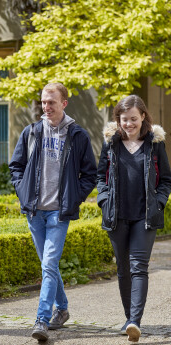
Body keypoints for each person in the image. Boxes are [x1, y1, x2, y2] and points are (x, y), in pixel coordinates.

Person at [9, 82, 97, 341]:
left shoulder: (77, 135)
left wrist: (74, 199)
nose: (45, 107)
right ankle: (63, 309)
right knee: (49, 265)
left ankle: (42, 320)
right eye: (43, 102)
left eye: (51, 102)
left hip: (59, 213)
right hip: (34, 211)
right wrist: (22, 190)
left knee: (48, 264)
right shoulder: (32, 132)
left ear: (64, 104)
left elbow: (89, 175)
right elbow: (16, 166)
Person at [97, 95, 171, 343]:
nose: (128, 124)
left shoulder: (155, 143)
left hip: (145, 217)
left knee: (139, 268)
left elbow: (166, 180)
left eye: (133, 119)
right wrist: (104, 200)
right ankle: (130, 318)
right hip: (116, 216)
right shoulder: (111, 143)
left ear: (143, 118)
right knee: (122, 269)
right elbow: (101, 177)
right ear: (118, 119)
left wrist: (159, 202)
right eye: (123, 119)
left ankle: (134, 321)